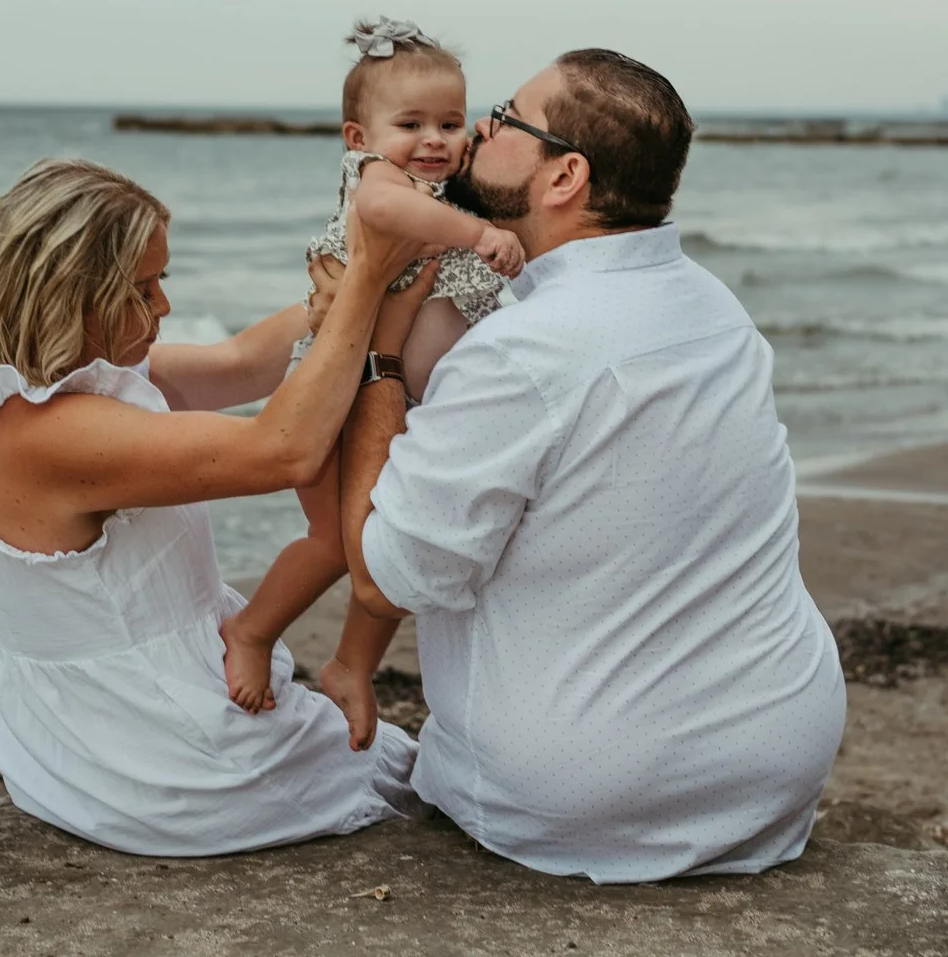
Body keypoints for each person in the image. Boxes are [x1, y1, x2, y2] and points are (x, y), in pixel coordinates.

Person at [334, 49, 847, 883]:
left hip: (585, 798)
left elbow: (385, 581)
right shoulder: (717, 309)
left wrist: (379, 363)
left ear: (564, 175)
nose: (478, 131)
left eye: (503, 117)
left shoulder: (520, 350)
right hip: (779, 764)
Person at [0, 156, 430, 857]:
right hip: (162, 755)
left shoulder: (72, 380)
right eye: (142, 288)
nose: (163, 305)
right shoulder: (49, 435)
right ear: (68, 295)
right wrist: (372, 285)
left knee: (413, 764)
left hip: (85, 738)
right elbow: (284, 450)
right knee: (424, 778)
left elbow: (243, 362)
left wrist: (336, 299)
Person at [223, 17, 524, 751]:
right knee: (333, 539)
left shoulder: (451, 196)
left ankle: (352, 666)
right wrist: (476, 236)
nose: (434, 139)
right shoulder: (381, 182)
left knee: (387, 545)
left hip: (406, 406)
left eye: (451, 123)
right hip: (348, 390)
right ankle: (252, 631)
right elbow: (385, 213)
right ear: (358, 139)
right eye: (410, 123)